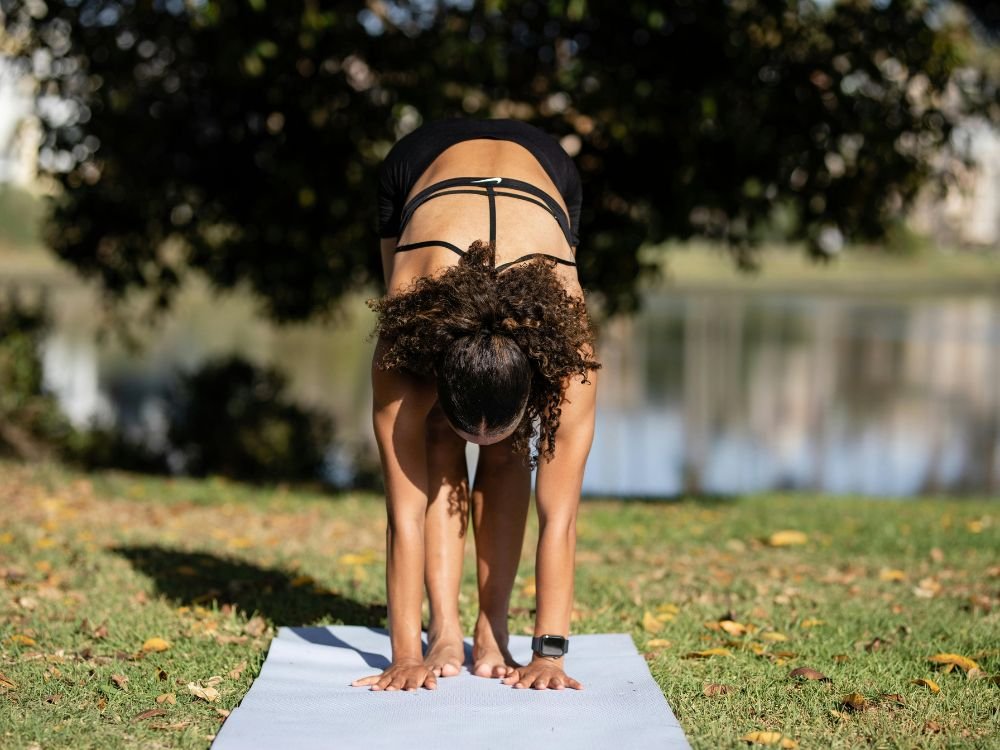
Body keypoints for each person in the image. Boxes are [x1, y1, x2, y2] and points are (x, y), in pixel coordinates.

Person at [350, 118, 600, 693]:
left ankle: (493, 629)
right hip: (418, 168)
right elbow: (402, 512)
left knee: (510, 449)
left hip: (546, 170)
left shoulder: (571, 360)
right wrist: (405, 654)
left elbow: (560, 517)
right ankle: (443, 631)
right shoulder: (405, 351)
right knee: (434, 433)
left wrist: (550, 655)